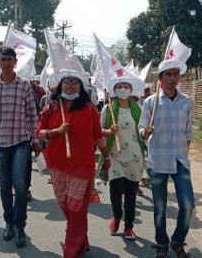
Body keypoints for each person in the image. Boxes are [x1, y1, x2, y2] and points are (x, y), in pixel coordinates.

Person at [36, 69, 111, 258]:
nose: (70, 85)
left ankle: (72, 250)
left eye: (75, 82)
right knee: (65, 206)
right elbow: (39, 133)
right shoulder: (51, 108)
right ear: (60, 85)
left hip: (82, 166)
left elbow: (98, 136)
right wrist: (57, 132)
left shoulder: (89, 109)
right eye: (66, 81)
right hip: (57, 165)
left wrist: (106, 157)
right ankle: (81, 239)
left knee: (76, 210)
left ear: (81, 86)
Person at [0, 47, 42, 248]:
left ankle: (19, 225)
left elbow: (33, 114)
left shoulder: (24, 85)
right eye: (3, 59)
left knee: (20, 185)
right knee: (4, 186)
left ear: (15, 62)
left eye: (10, 59)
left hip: (20, 142)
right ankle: (8, 221)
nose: (7, 63)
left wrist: (35, 139)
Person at [139, 60, 194, 258]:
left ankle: (178, 240)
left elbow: (188, 133)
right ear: (160, 78)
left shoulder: (186, 102)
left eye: (175, 74)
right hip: (158, 161)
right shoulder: (150, 103)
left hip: (180, 161)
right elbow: (142, 131)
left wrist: (184, 154)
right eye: (168, 74)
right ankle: (161, 243)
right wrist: (145, 132)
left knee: (188, 205)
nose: (172, 78)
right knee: (160, 207)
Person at [99, 77, 146, 241]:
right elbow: (99, 131)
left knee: (131, 193)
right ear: (114, 90)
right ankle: (117, 215)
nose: (123, 89)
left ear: (131, 90)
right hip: (114, 156)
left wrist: (146, 133)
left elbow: (143, 132)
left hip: (134, 156)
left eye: (126, 86)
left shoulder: (138, 109)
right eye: (119, 87)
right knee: (116, 190)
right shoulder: (108, 109)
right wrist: (109, 131)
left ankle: (129, 226)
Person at [26, 76, 46, 201]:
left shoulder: (30, 90)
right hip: (3, 139)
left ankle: (25, 188)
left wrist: (36, 138)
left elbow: (37, 114)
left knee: (25, 164)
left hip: (25, 136)